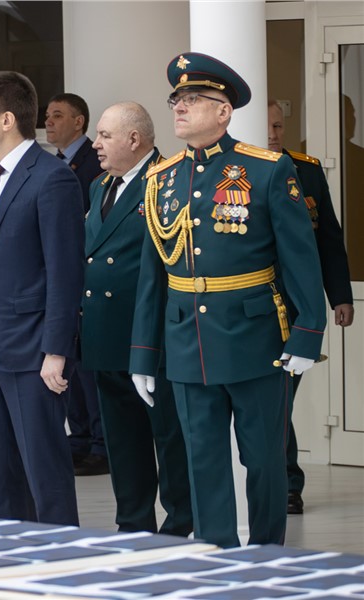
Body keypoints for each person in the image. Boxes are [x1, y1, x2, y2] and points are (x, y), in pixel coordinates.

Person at [130, 53, 326, 548]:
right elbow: (153, 275)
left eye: (192, 99)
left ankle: (266, 554)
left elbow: (300, 259)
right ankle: (216, 554)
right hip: (185, 341)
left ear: (223, 112)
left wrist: (308, 331)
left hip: (255, 338)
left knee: (263, 459)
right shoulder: (161, 179)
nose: (179, 107)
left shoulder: (266, 170)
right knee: (202, 458)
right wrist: (143, 354)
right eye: (176, 99)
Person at [0, 71, 85, 525]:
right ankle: (7, 556)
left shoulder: (52, 178)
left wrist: (56, 351)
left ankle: (62, 559)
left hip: (33, 354)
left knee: (44, 473)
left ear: (7, 119)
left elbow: (65, 273)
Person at [83, 102, 192, 536]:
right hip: (107, 335)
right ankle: (133, 527)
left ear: (134, 139)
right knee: (123, 443)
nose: (96, 144)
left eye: (105, 135)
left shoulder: (168, 182)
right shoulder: (100, 186)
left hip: (152, 338)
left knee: (170, 439)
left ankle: (180, 527)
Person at [267, 100, 355, 515]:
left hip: (293, 307)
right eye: (267, 126)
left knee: (280, 399)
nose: (273, 134)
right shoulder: (233, 173)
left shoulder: (306, 170)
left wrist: (340, 295)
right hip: (245, 306)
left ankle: (287, 483)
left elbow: (328, 239)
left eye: (278, 126)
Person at [45, 93, 108, 475]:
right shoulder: (56, 163)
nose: (48, 122)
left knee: (90, 370)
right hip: (66, 280)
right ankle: (81, 438)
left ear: (79, 121)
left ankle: (101, 444)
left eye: (57, 116)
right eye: (47, 116)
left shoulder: (93, 162)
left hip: (90, 278)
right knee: (71, 365)